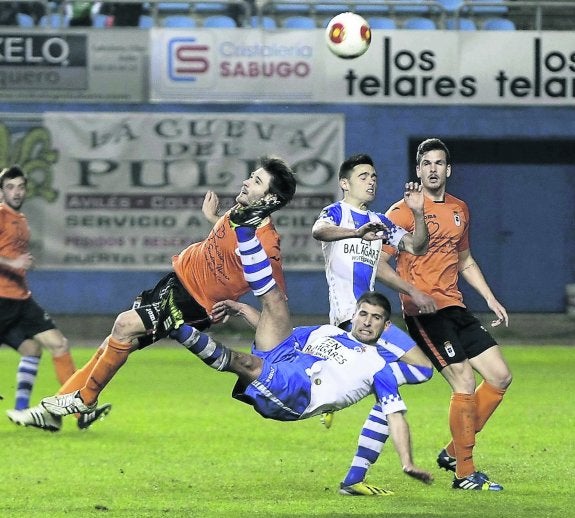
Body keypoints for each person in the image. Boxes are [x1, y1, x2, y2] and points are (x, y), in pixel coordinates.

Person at [48, 200, 432, 494]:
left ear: (384, 327)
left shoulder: (378, 366)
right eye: (363, 314)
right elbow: (279, 335)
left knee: (243, 359)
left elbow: (400, 407)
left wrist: (408, 462)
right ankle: (89, 389)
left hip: (296, 396)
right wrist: (242, 309)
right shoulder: (329, 334)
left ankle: (174, 331)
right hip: (288, 364)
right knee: (271, 312)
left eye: (374, 319)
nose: (365, 321)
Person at [37, 157, 296, 420]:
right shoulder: (239, 214)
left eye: (256, 181)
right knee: (113, 343)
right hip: (173, 285)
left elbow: (275, 307)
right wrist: (212, 217)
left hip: (194, 304)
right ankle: (59, 408)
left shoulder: (267, 245)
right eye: (251, 176)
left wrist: (243, 311)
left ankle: (86, 399)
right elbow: (231, 247)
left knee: (124, 325)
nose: (246, 181)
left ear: (270, 199)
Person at [380, 138, 512, 491]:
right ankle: (465, 473)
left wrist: (490, 298)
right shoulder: (402, 212)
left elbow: (465, 260)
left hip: (455, 306)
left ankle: (455, 450)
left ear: (448, 170)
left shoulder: (459, 209)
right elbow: (379, 263)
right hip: (425, 312)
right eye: (427, 164)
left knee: (500, 377)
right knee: (465, 381)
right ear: (419, 170)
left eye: (439, 163)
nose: (433, 169)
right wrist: (412, 292)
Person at [311, 154, 437, 491]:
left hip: (367, 322)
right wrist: (355, 231)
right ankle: (336, 388)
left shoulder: (381, 221)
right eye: (363, 175)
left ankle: (354, 478)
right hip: (353, 320)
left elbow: (416, 246)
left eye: (374, 176)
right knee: (421, 369)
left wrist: (419, 212)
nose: (371, 181)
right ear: (345, 183)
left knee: (388, 389)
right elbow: (318, 231)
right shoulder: (338, 214)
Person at [0, 165, 110, 432]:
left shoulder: (21, 219)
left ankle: (76, 411)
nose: (16, 192)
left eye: (21, 186)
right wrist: (12, 261)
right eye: (10, 187)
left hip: (21, 300)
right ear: (1, 191)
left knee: (56, 345)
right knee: (32, 349)